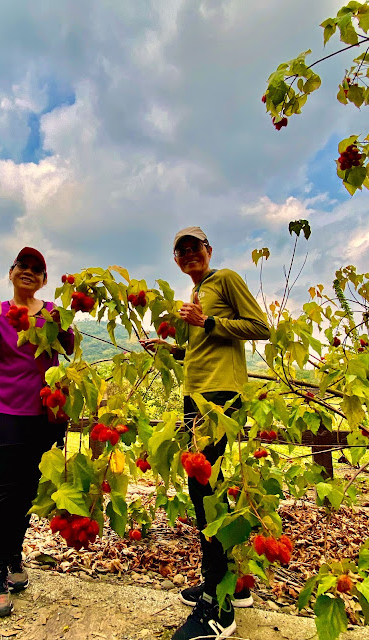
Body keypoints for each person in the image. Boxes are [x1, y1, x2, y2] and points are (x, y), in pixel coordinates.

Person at [142, 227, 269, 640]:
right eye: (181, 250)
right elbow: (203, 344)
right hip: (196, 394)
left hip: (220, 395)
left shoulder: (226, 279)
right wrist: (169, 349)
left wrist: (208, 320)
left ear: (208, 251)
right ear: (176, 261)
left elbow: (260, 327)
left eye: (195, 247)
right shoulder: (194, 297)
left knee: (206, 493)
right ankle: (223, 581)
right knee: (204, 488)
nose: (189, 254)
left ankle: (220, 606)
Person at [0, 247, 74, 617]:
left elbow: (68, 348)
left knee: (29, 489)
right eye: (22, 267)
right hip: (2, 410)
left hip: (44, 414)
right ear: (11, 273)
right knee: (8, 488)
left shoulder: (51, 314)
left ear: (44, 279)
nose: (29, 272)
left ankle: (13, 558)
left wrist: (66, 319)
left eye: (37, 269)